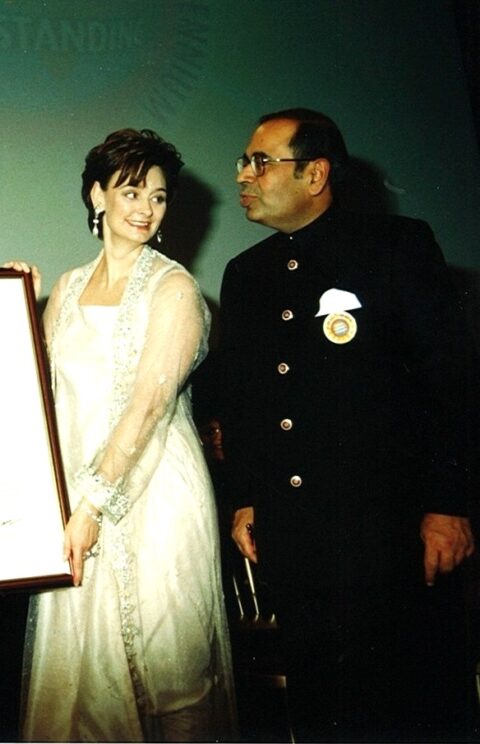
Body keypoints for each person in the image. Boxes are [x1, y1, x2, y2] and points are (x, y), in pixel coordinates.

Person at [218, 108, 476, 741]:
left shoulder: (397, 248)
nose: (243, 175)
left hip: (390, 536)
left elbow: (452, 385)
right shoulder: (245, 275)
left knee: (412, 703)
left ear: (316, 174)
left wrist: (448, 506)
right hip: (297, 536)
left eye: (261, 162)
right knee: (323, 708)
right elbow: (248, 400)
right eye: (243, 162)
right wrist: (248, 496)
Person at [21, 129, 234, 742]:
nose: (145, 208)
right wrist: (8, 299)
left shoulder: (176, 290)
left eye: (160, 197)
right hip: (78, 501)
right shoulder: (64, 289)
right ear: (98, 195)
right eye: (132, 190)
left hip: (157, 496)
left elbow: (147, 407)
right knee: (81, 676)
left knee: (173, 677)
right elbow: (39, 394)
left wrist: (91, 503)